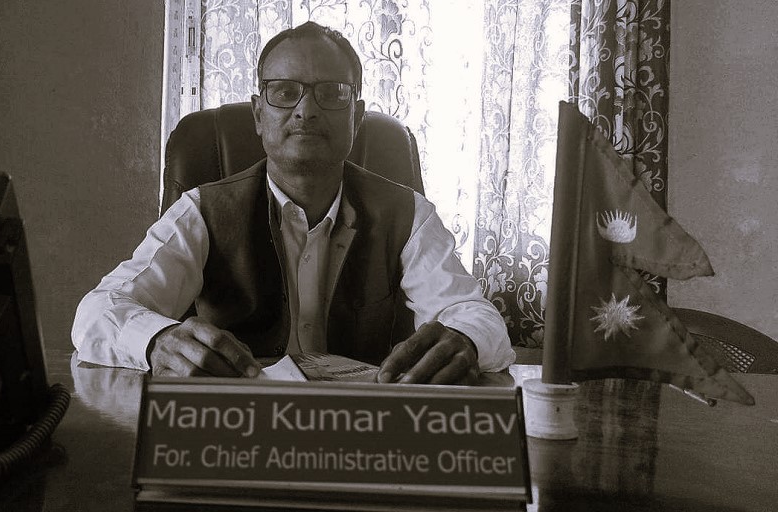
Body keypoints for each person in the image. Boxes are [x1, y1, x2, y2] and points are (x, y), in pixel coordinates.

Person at [72, 21, 514, 384]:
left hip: (366, 425)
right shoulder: (203, 210)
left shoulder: (407, 214)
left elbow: (474, 314)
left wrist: (465, 339)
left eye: (332, 93)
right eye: (285, 92)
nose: (306, 110)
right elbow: (97, 312)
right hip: (239, 424)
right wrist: (155, 340)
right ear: (258, 114)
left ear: (357, 117)